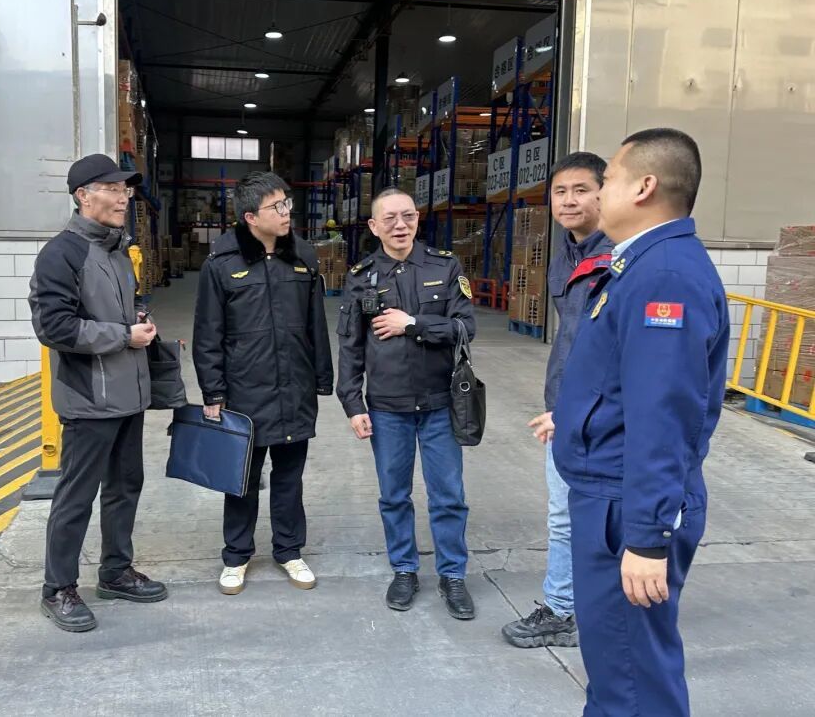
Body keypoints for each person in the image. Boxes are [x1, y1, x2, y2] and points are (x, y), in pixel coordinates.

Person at [552, 129, 729, 716]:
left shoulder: (664, 276)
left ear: (645, 187)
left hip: (625, 506)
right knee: (615, 667)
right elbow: (625, 383)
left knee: (632, 680)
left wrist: (647, 537)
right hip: (611, 494)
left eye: (607, 180)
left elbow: (664, 415)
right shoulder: (642, 264)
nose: (598, 193)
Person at [29, 153, 167, 633]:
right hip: (89, 399)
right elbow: (54, 327)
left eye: (125, 190)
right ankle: (58, 588)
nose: (123, 198)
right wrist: (123, 335)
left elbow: (125, 309)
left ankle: (116, 572)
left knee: (126, 486)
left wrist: (140, 321)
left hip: (129, 394)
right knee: (77, 494)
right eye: (112, 189)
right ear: (83, 196)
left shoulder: (118, 252)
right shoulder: (61, 254)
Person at [336, 188, 478, 618]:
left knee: (448, 495)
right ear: (374, 226)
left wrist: (412, 324)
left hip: (439, 405)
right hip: (386, 408)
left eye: (408, 216)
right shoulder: (361, 276)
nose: (401, 225)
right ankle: (404, 569)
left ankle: (453, 575)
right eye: (390, 218)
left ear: (417, 219)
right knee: (394, 496)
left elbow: (465, 328)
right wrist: (353, 404)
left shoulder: (444, 266)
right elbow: (350, 346)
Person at [193, 171, 333, 595]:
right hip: (244, 392)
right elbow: (208, 334)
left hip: (294, 387)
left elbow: (316, 325)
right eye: (277, 206)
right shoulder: (222, 263)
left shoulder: (303, 256)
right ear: (251, 217)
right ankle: (236, 556)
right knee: (242, 479)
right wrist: (214, 392)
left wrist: (321, 379)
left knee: (290, 477)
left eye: (287, 203)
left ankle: (289, 551)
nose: (287, 212)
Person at [502, 152, 613, 649]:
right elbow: (570, 340)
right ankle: (568, 605)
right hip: (564, 407)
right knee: (565, 515)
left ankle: (575, 609)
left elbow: (612, 354)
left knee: (590, 516)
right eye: (560, 192)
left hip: (595, 415)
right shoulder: (565, 256)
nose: (568, 201)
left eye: (581, 190)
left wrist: (573, 412)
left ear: (605, 193)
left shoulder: (619, 259)